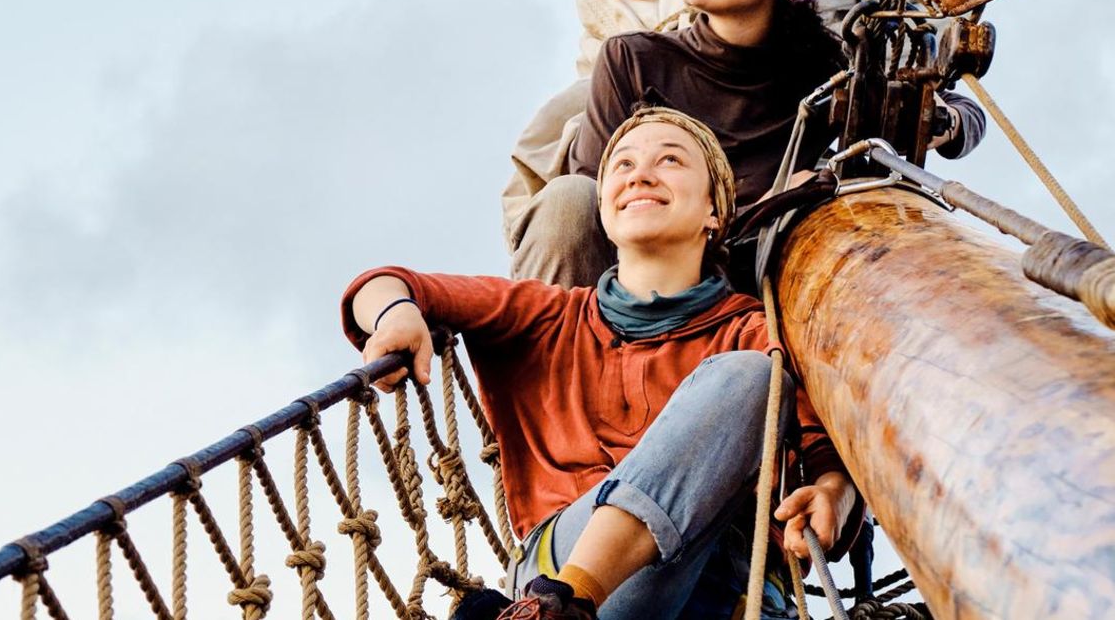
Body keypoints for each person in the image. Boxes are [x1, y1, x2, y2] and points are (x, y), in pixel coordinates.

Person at [342, 107, 863, 619]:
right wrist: (396, 311)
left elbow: (825, 459)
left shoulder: (754, 330)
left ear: (714, 212)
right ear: (606, 215)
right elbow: (383, 283)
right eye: (623, 165)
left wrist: (834, 495)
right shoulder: (545, 316)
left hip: (716, 585)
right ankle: (564, 603)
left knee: (749, 377)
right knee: (750, 376)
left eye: (671, 161)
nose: (641, 174)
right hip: (558, 571)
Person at [507, 0, 986, 289]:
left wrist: (937, 120)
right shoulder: (634, 59)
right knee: (569, 199)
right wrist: (770, 200)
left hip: (746, 301)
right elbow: (600, 204)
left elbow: (966, 117)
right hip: (626, 279)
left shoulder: (829, 74)